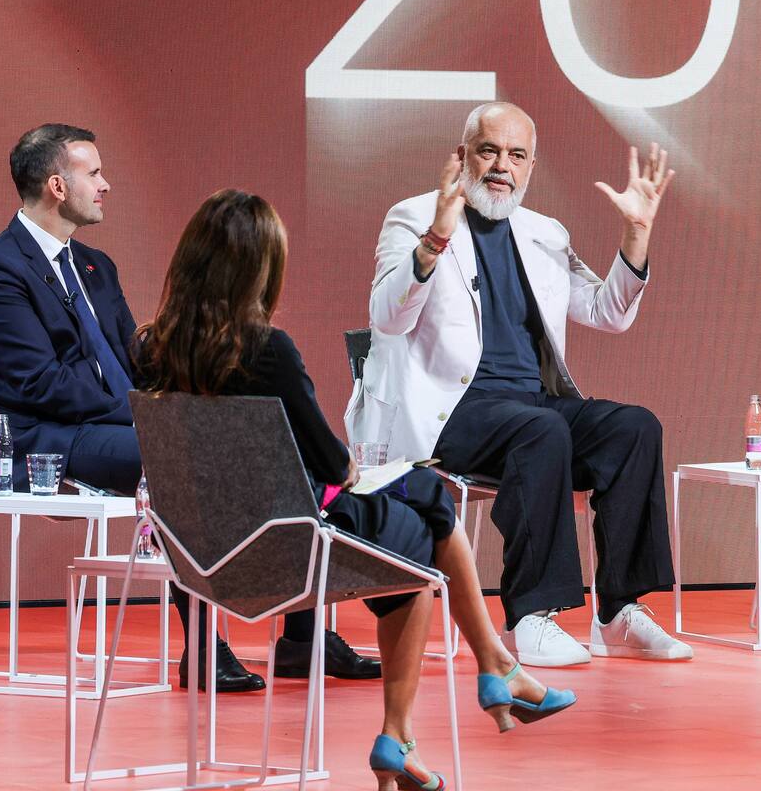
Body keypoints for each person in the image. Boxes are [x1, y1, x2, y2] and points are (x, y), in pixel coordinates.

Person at [134, 188, 576, 790]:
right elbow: (332, 464)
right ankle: (426, 716)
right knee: (421, 532)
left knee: (422, 497)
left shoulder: (149, 349)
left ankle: (486, 675)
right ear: (261, 270)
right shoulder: (268, 350)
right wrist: (351, 469)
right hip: (291, 546)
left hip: (196, 549)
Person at [0, 124, 373, 694]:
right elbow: (40, 386)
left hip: (118, 426)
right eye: (94, 173)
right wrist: (151, 414)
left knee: (264, 441)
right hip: (46, 443)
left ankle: (303, 635)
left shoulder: (95, 266)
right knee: (183, 454)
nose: (106, 184)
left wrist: (189, 399)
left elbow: (139, 361)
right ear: (57, 185)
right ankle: (202, 646)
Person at [346, 102, 692, 667]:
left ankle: (618, 613)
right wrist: (436, 238)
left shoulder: (544, 233)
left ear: (531, 165)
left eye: (516, 155)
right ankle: (529, 617)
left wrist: (636, 234)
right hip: (451, 413)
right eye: (489, 151)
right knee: (541, 430)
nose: (501, 166)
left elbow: (606, 311)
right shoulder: (414, 217)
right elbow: (387, 317)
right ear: (463, 156)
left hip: (529, 406)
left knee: (634, 428)